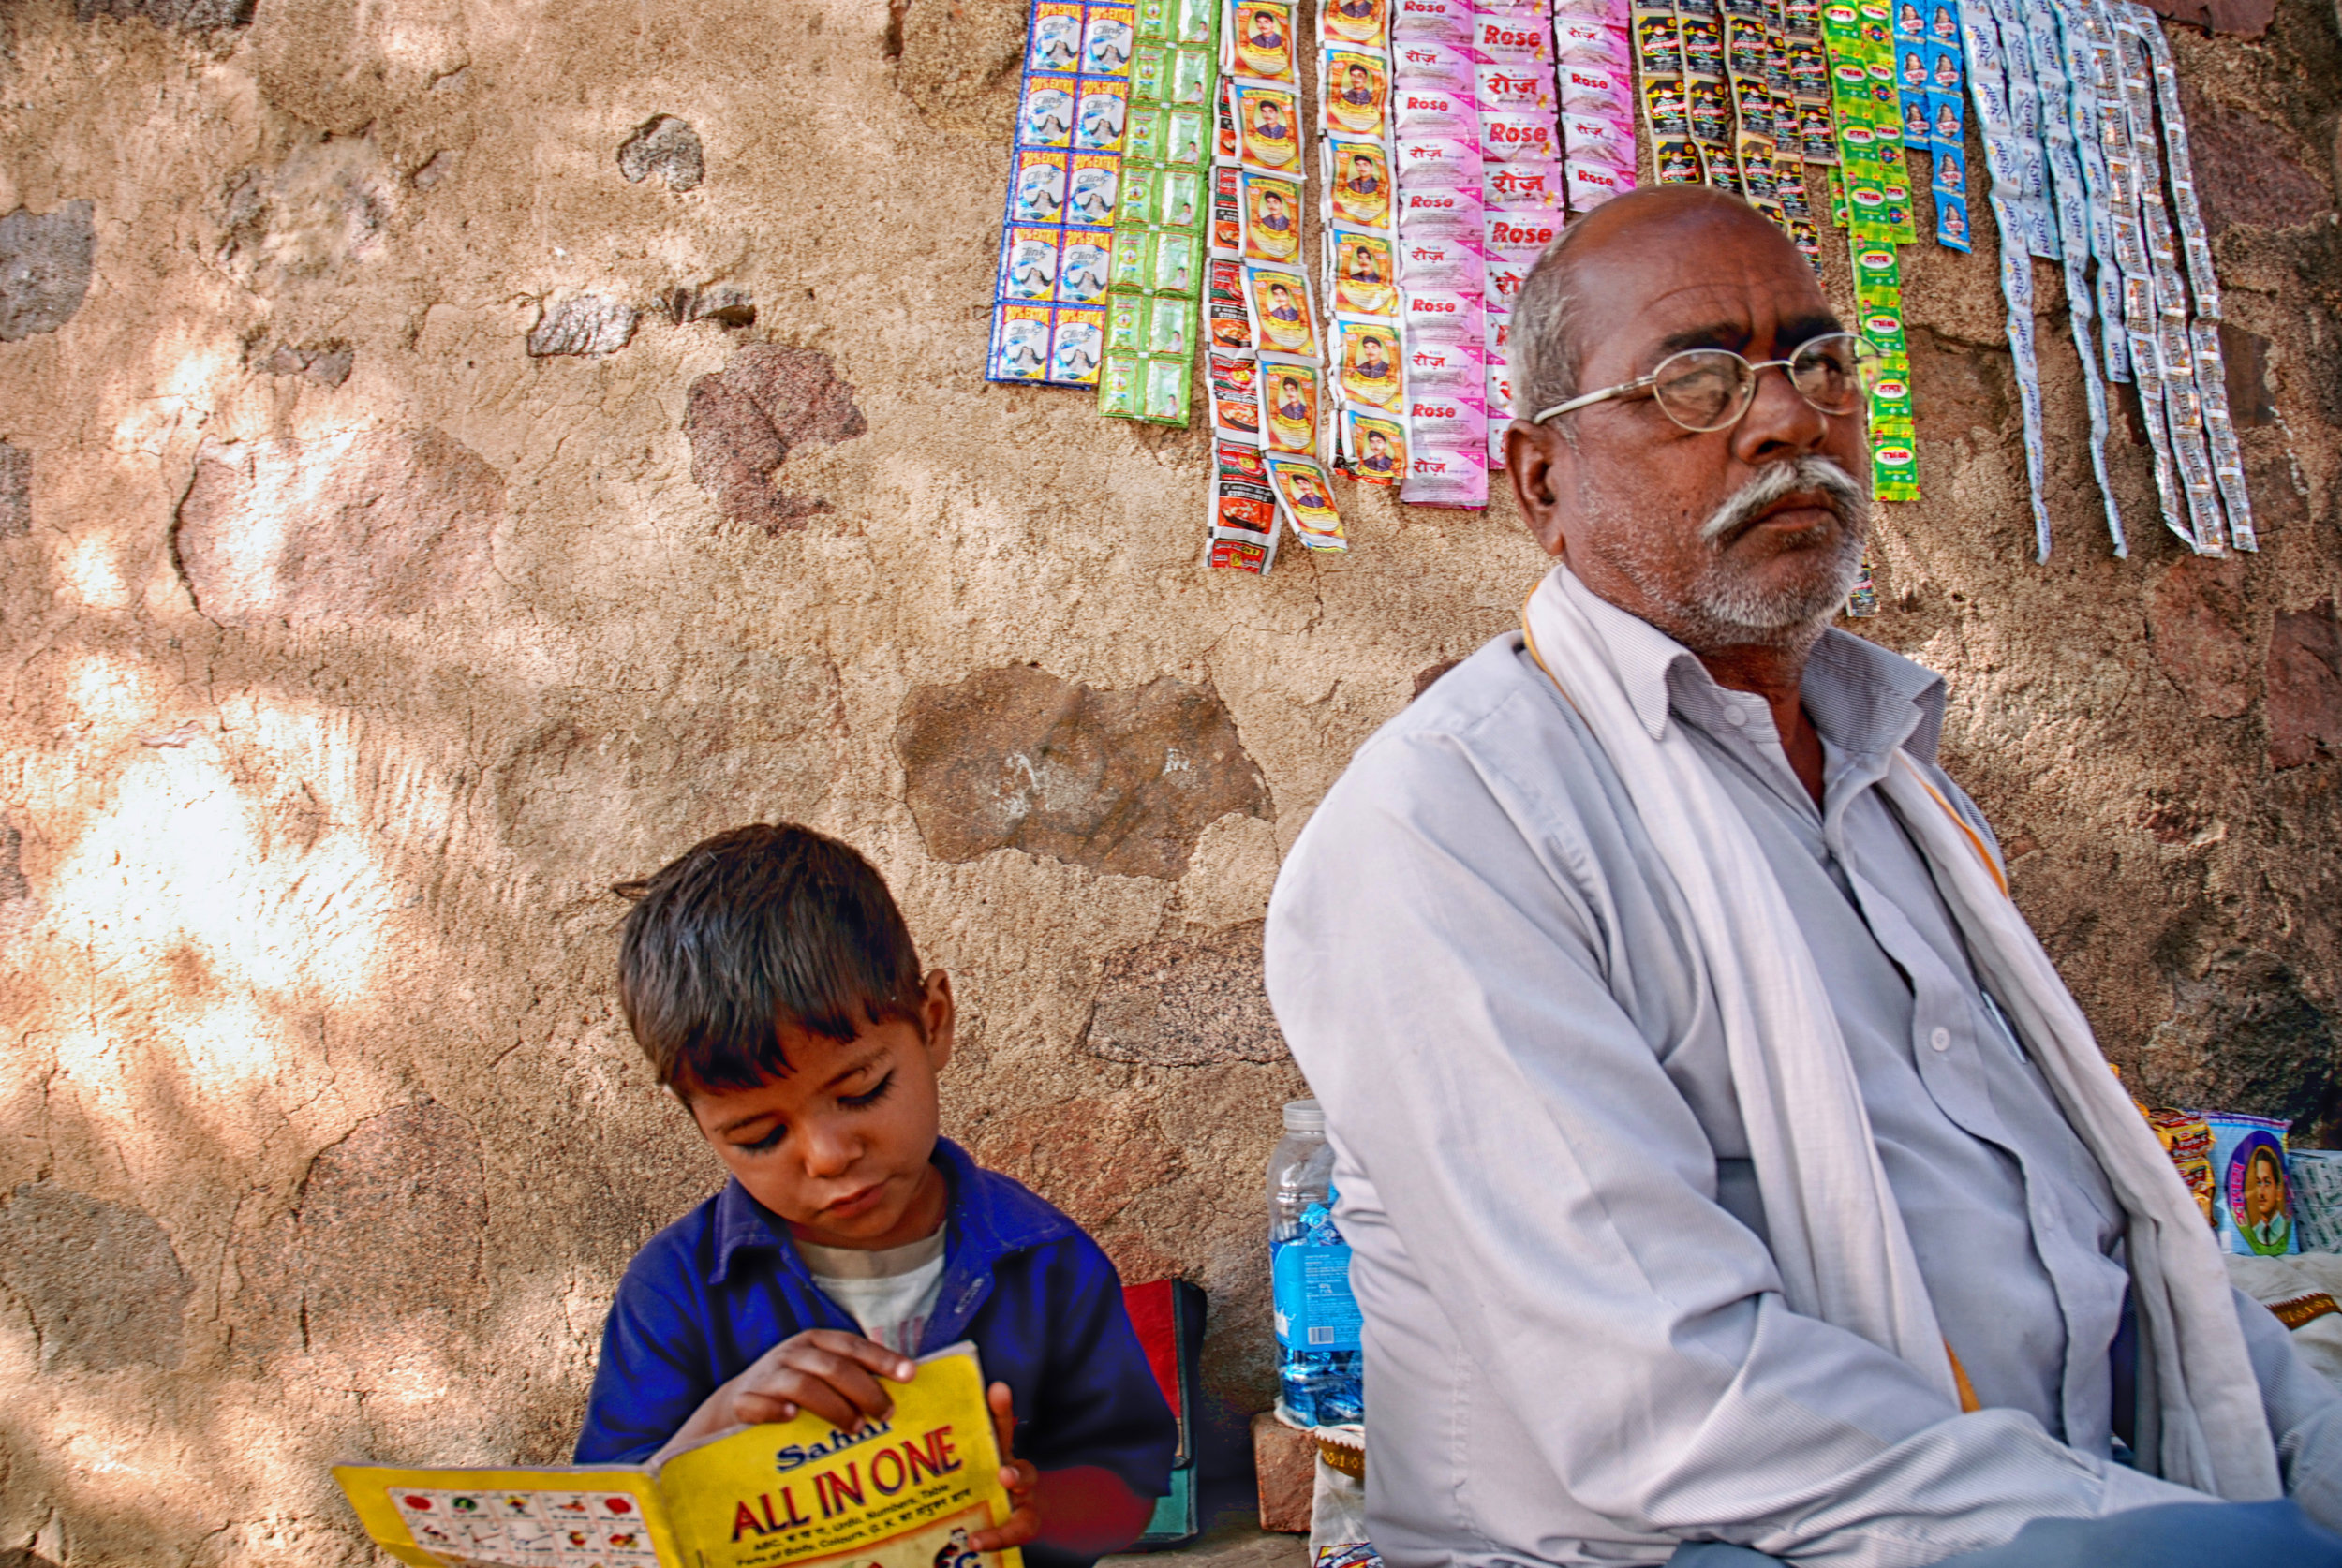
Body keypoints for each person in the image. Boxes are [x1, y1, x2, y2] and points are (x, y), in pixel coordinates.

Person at [1263, 185, 2342, 1567]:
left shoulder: (1894, 779)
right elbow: (1668, 1397)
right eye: (1696, 381)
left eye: (1819, 365)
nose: (1787, 421)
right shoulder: (1449, 828)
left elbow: (2110, 1237)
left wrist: (2297, 1462)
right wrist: (2176, 1542)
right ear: (1544, 481)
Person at [577, 825, 1177, 1568]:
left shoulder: (1044, 1262)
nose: (828, 1157)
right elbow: (613, 1531)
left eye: (862, 1090)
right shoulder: (676, 1290)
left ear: (933, 1023)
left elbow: (1130, 1481)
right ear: (699, 1125)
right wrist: (719, 1424)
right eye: (758, 1136)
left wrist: (1037, 1503)